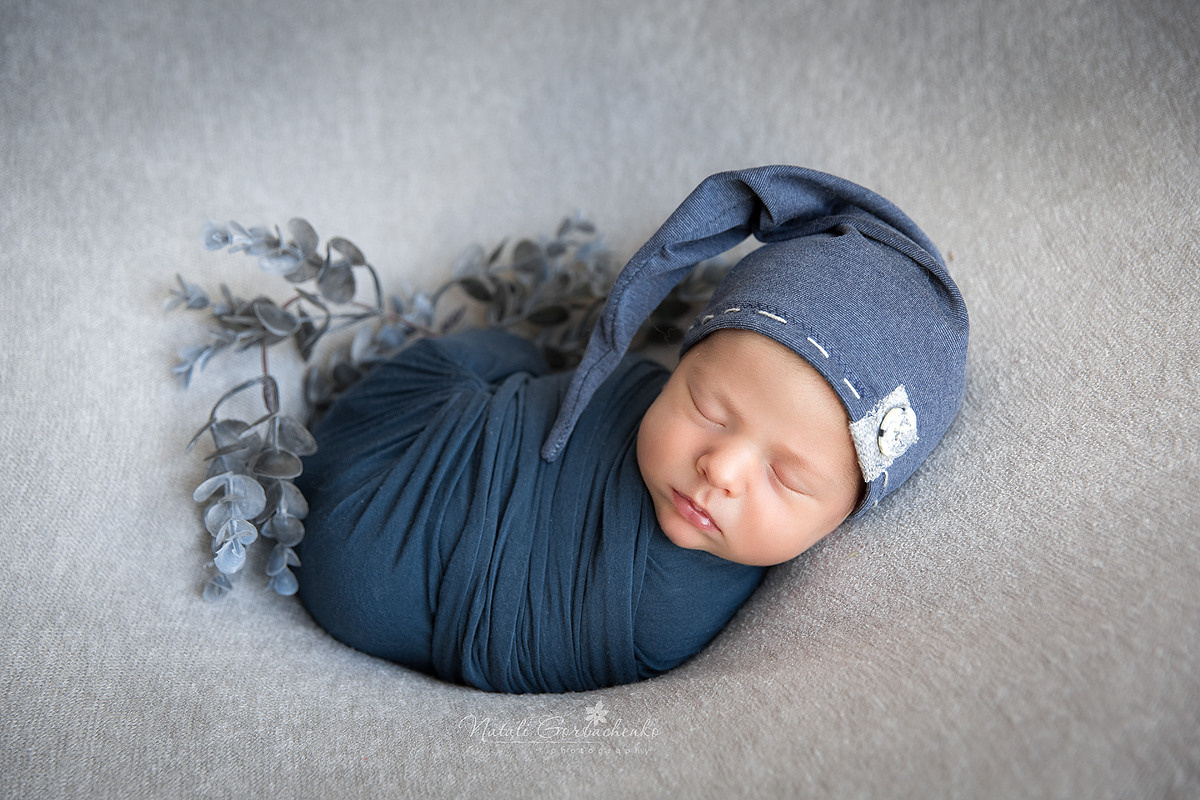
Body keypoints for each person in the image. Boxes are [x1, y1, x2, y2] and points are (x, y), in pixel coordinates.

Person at [294, 165, 969, 693]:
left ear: (850, 511)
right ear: (679, 365)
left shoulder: (663, 617)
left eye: (785, 476)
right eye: (706, 407)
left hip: (360, 551)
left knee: (496, 356)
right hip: (377, 489)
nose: (721, 469)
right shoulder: (625, 395)